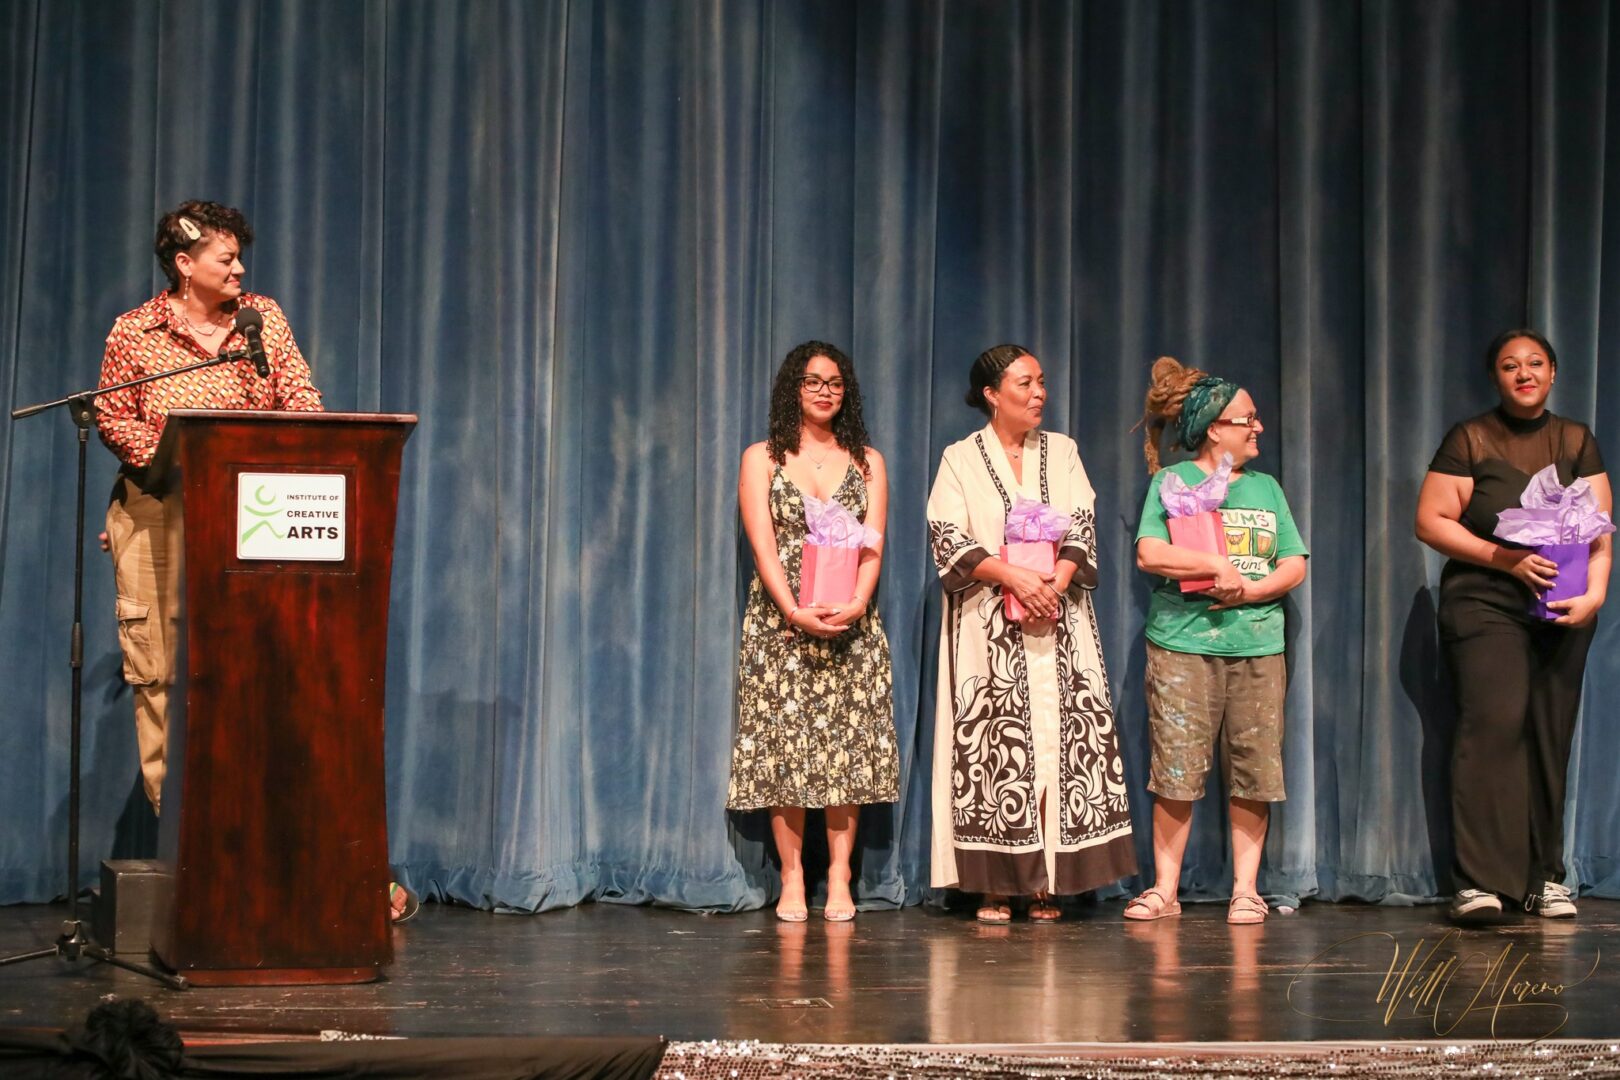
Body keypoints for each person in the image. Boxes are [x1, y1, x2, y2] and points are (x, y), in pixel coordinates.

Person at [926, 344, 1135, 923]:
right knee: (998, 742)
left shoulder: (1062, 452)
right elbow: (948, 535)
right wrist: (1015, 577)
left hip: (1059, 621)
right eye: (1025, 383)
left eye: (1041, 381)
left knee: (1056, 739)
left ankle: (1048, 880)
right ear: (992, 394)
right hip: (988, 626)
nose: (1039, 392)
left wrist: (1054, 584)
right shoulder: (960, 459)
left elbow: (1082, 523)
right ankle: (996, 884)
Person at [1414, 329, 1611, 922]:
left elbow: (1600, 533)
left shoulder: (1575, 439)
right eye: (1509, 365)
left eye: (1534, 363)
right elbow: (1431, 520)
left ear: (1553, 373)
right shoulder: (1470, 438)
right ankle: (1478, 883)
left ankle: (1542, 878)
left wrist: (1595, 595)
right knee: (1494, 724)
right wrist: (1506, 560)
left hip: (1562, 603)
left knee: (1550, 734)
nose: (1523, 373)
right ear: (1496, 377)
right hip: (1486, 598)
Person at [1128, 356, 1307, 925]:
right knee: (1176, 770)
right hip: (1182, 645)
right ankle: (1165, 890)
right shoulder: (1172, 482)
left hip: (1257, 646)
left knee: (1255, 771)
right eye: (1247, 419)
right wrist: (1213, 565)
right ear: (1213, 430)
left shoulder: (1266, 488)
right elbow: (1149, 552)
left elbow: (1294, 563)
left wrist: (1250, 591)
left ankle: (1246, 890)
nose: (1258, 427)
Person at [727, 341, 899, 922]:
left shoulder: (869, 462)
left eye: (834, 382)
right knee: (785, 752)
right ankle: (793, 876)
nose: (825, 391)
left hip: (852, 623)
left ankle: (842, 875)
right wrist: (792, 611)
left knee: (847, 752)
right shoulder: (762, 457)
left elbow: (873, 545)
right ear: (792, 389)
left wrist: (857, 603)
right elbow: (763, 546)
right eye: (812, 381)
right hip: (781, 625)